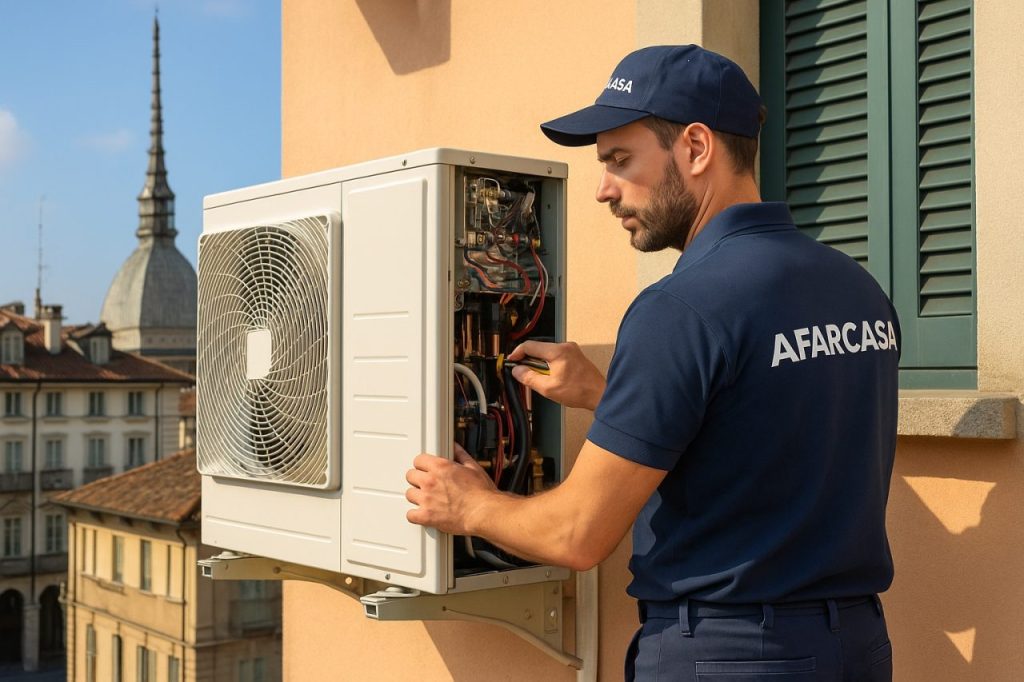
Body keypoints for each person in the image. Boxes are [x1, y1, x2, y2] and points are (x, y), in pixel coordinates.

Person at [406, 44, 898, 681]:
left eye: (619, 160)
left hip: (728, 655)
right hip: (856, 649)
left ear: (695, 148)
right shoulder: (857, 288)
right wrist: (609, 395)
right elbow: (758, 425)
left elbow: (576, 535)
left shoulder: (681, 308)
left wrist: (467, 504)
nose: (602, 190)